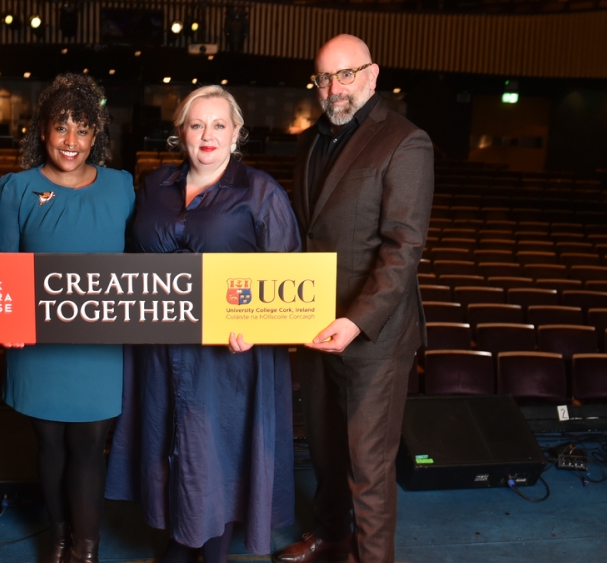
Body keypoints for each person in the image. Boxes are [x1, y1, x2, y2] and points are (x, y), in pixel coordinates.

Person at [107, 85, 300, 563]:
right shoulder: (153, 186)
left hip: (228, 358)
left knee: (212, 453)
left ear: (237, 134)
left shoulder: (261, 193)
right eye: (197, 124)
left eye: (219, 124)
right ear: (181, 133)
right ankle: (178, 541)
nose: (208, 134)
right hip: (158, 350)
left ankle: (205, 552)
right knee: (163, 443)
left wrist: (258, 325)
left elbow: (292, 279)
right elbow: (129, 261)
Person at [271, 34, 433, 563]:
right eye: (323, 77)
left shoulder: (406, 141)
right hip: (312, 322)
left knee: (368, 463)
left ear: (372, 74)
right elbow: (306, 234)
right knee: (323, 448)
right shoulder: (309, 141)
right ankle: (330, 535)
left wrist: (356, 321)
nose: (333, 88)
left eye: (345, 74)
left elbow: (403, 248)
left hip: (374, 337)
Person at [0, 74, 135, 563]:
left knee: (91, 446)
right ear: (43, 131)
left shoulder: (122, 187)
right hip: (38, 348)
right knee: (50, 445)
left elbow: (142, 267)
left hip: (99, 349)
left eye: (83, 129)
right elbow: (3, 268)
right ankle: (57, 538)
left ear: (98, 135)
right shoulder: (15, 188)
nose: (71, 142)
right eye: (61, 128)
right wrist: (6, 323)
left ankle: (85, 550)